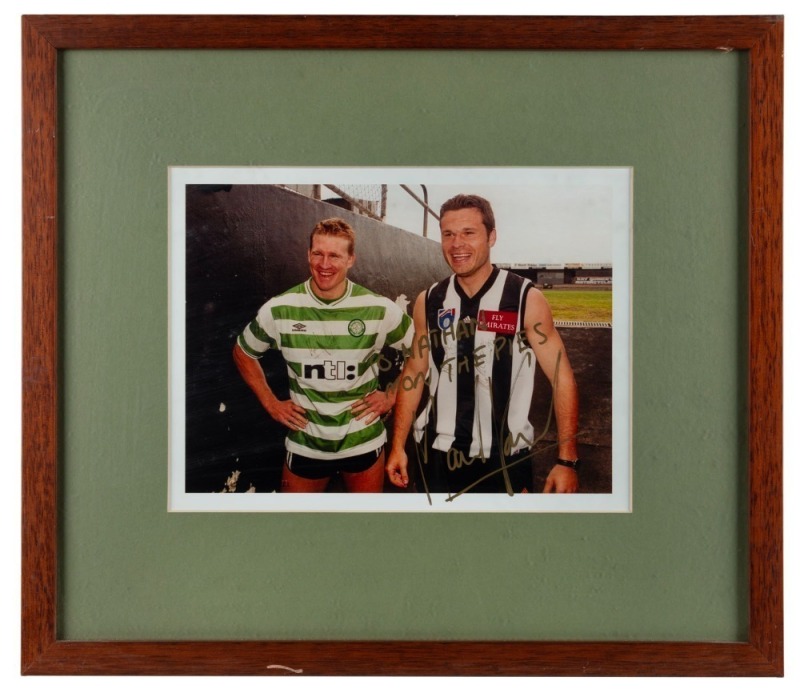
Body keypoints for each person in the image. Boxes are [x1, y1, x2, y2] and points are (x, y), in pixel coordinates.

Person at [385, 194, 579, 496]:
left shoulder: (525, 298)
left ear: (492, 237)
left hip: (504, 459)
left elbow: (561, 377)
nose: (456, 244)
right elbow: (414, 373)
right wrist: (398, 445)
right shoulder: (429, 301)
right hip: (436, 455)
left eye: (468, 233)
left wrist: (567, 461)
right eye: (448, 234)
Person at [233, 218, 413, 493]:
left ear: (351, 259)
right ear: (308, 254)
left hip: (362, 440)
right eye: (318, 253)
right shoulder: (280, 308)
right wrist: (271, 403)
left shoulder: (377, 308)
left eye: (334, 255)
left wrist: (390, 395)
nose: (324, 264)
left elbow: (422, 354)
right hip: (306, 442)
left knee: (365, 527)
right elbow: (243, 352)